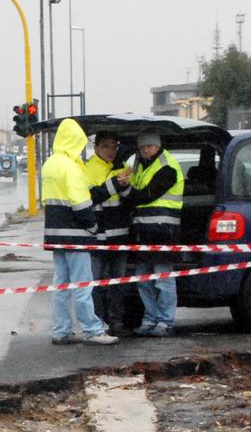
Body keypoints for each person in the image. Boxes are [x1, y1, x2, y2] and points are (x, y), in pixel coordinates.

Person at [40, 118, 117, 346]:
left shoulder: (50, 164)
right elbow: (81, 204)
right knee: (83, 285)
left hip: (55, 235)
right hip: (76, 235)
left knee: (61, 285)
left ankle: (61, 330)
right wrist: (93, 227)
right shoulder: (71, 167)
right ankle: (93, 330)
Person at [121, 128, 186, 336]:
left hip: (162, 231)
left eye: (149, 146)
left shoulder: (167, 167)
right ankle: (150, 319)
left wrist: (129, 193)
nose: (146, 151)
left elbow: (146, 195)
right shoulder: (141, 166)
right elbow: (137, 193)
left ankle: (165, 321)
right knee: (143, 279)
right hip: (143, 231)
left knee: (163, 279)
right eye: (142, 147)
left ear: (158, 146)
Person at [84, 131, 132, 335]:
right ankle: (98, 324)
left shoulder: (123, 168)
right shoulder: (87, 169)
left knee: (118, 283)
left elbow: (131, 200)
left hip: (120, 235)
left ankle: (116, 322)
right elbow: (90, 197)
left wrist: (126, 187)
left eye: (114, 146)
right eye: (106, 146)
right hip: (97, 236)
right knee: (96, 284)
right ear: (96, 148)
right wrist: (115, 184)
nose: (111, 151)